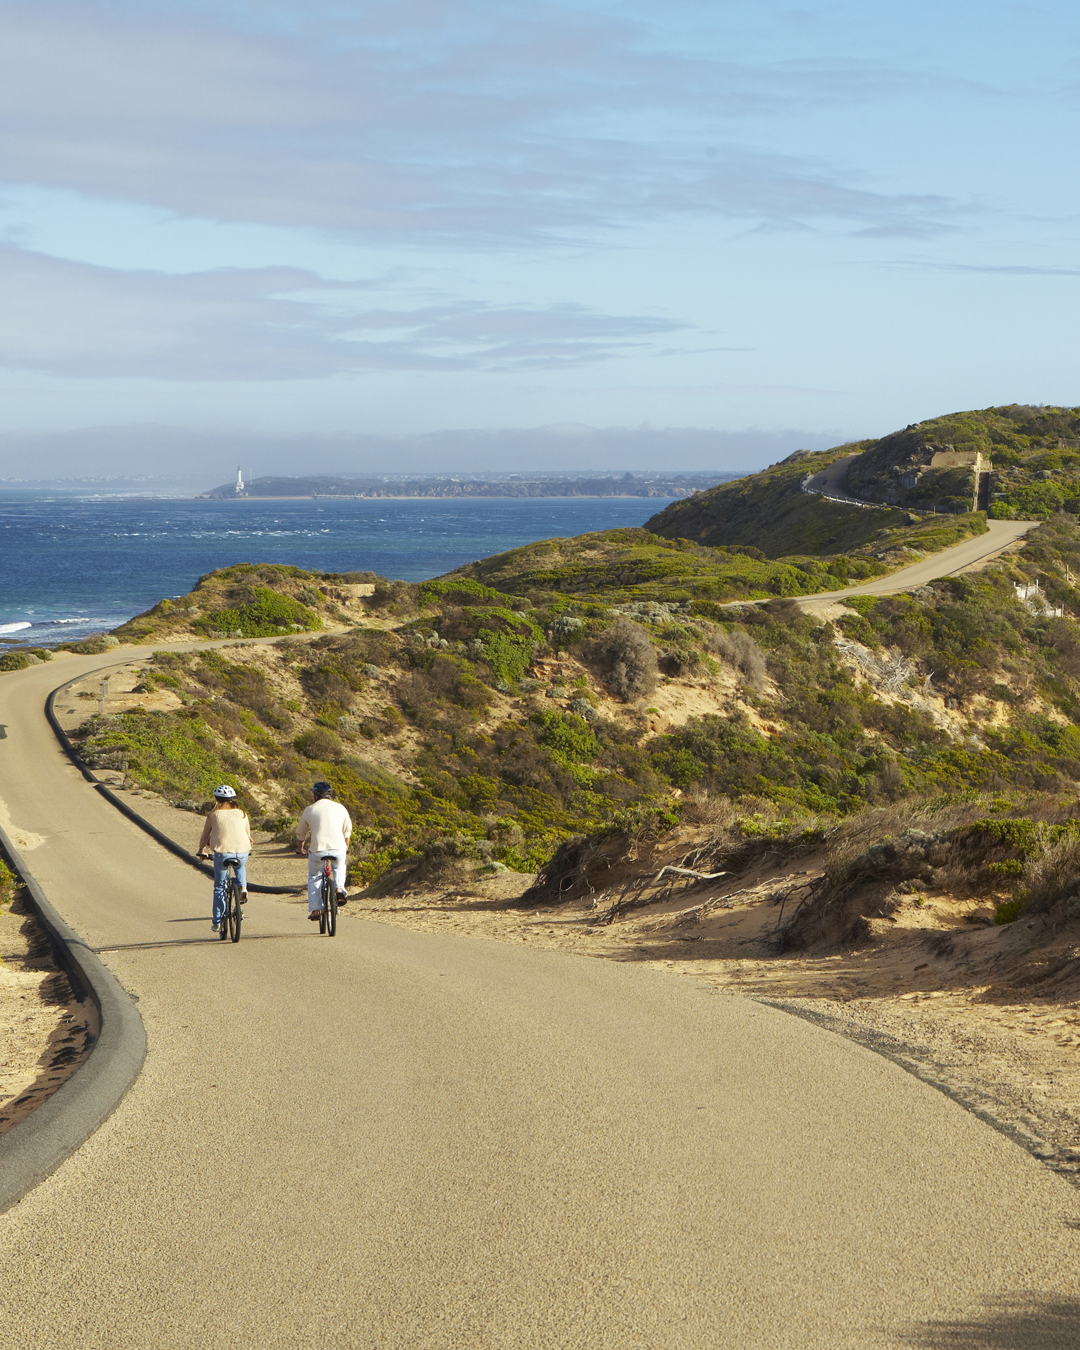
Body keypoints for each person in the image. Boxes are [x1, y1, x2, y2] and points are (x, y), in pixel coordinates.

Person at [197, 786, 253, 933]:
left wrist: (201, 850)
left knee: (219, 888)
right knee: (240, 866)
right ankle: (242, 887)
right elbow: (248, 835)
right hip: (241, 852)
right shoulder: (242, 813)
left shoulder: (213, 815)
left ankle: (217, 922)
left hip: (222, 853)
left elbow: (204, 835)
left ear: (217, 799)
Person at [296, 781, 352, 922]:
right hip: (338, 848)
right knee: (339, 867)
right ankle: (339, 889)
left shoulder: (310, 809)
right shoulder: (340, 808)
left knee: (314, 876)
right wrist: (346, 847)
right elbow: (347, 831)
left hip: (318, 849)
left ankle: (315, 909)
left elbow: (300, 833)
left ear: (315, 796)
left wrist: (300, 849)